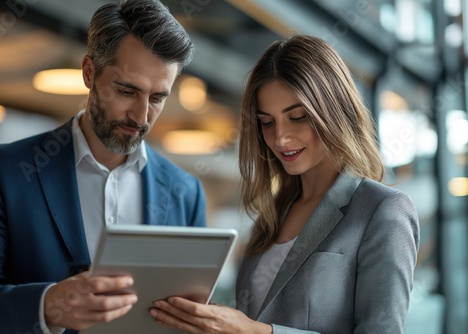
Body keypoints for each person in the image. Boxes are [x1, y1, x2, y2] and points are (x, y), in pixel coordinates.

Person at [150, 34, 420, 333]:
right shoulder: (270, 219)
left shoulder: (382, 210)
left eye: (297, 117)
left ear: (333, 111)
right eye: (267, 122)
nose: (280, 137)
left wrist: (256, 332)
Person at [0, 1, 206, 333]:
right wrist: (46, 306)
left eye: (157, 98)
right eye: (127, 91)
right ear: (89, 72)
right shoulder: (4, 172)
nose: (141, 117)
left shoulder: (187, 193)